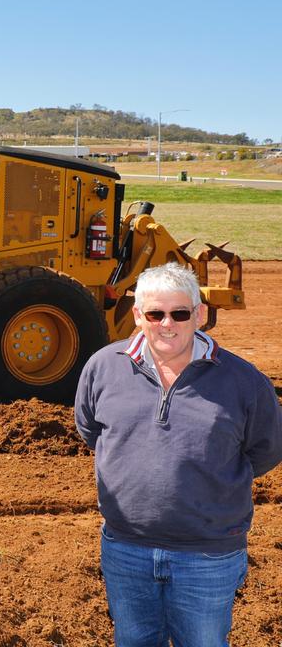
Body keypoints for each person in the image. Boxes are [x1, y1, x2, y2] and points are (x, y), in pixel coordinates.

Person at [76, 262, 282, 646]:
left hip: (207, 556)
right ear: (138, 315)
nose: (166, 324)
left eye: (179, 313)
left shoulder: (243, 381)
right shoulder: (103, 368)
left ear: (199, 315)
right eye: (155, 313)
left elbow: (265, 451)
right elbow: (91, 430)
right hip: (126, 550)